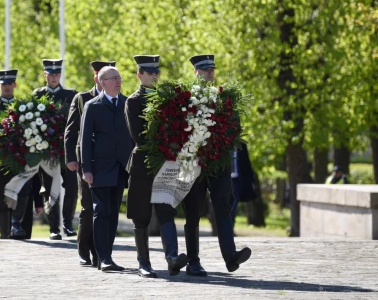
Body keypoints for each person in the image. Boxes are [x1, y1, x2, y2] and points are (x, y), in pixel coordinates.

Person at [184, 54, 251, 274]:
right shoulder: (185, 99)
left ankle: (231, 257)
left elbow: (235, 129)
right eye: (204, 70)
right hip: (195, 163)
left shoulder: (223, 98)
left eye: (212, 69)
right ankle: (193, 260)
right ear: (196, 72)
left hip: (219, 163)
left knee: (223, 207)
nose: (210, 72)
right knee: (193, 212)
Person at [126, 55, 188, 278]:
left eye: (156, 72)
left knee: (165, 210)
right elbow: (138, 137)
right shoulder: (133, 101)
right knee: (141, 215)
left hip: (166, 162)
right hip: (143, 163)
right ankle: (143, 262)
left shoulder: (168, 100)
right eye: (149, 72)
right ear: (139, 75)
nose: (154, 76)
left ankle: (172, 258)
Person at [80, 66, 133, 272]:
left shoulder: (127, 103)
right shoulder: (92, 106)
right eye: (113, 78)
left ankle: (106, 255)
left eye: (119, 77)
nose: (118, 81)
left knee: (112, 214)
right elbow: (85, 140)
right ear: (102, 82)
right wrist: (87, 169)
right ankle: (103, 258)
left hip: (121, 168)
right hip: (100, 168)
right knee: (100, 212)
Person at [65, 60, 115, 267]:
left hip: (108, 161)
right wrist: (71, 158)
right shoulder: (82, 98)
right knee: (88, 206)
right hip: (86, 161)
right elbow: (71, 130)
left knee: (105, 208)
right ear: (96, 77)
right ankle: (84, 250)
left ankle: (101, 253)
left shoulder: (116, 98)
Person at [0, 69, 39, 239]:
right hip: (1, 159)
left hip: (20, 157)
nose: (6, 87)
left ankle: (16, 224)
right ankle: (4, 232)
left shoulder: (23, 107)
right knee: (2, 195)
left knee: (22, 191)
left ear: (15, 85)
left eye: (9, 84)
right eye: (3, 84)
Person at [33, 58, 78, 240]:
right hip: (47, 151)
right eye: (50, 74)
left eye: (57, 74)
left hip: (67, 151)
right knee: (49, 189)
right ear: (45, 74)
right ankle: (53, 227)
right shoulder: (37, 95)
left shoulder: (70, 94)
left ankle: (67, 222)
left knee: (72, 188)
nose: (54, 77)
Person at [230, 142, 258, 226]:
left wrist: (252, 181)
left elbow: (247, 164)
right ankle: (224, 230)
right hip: (224, 180)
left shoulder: (242, 145)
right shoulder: (222, 142)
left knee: (234, 205)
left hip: (237, 181)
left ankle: (230, 228)